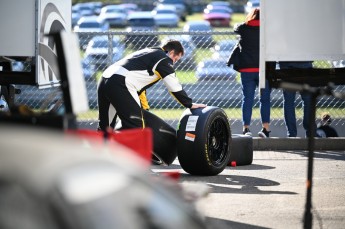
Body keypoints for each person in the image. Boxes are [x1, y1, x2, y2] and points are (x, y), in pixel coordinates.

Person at [97, 40, 206, 132]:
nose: (174, 63)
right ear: (171, 52)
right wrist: (189, 104)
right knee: (136, 125)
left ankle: (101, 155)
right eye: (176, 59)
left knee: (105, 127)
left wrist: (145, 110)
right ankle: (132, 156)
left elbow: (140, 88)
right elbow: (173, 85)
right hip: (120, 82)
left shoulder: (149, 51)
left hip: (105, 78)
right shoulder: (164, 59)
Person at [230, 8, 271, 138]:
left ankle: (246, 128)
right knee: (264, 100)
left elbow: (235, 27)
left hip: (247, 70)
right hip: (263, 70)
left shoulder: (243, 28)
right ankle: (265, 129)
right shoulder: (266, 29)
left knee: (247, 99)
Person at [279, 61, 317, 137]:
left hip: (287, 64)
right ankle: (310, 132)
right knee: (308, 100)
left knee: (289, 101)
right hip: (305, 63)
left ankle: (291, 134)